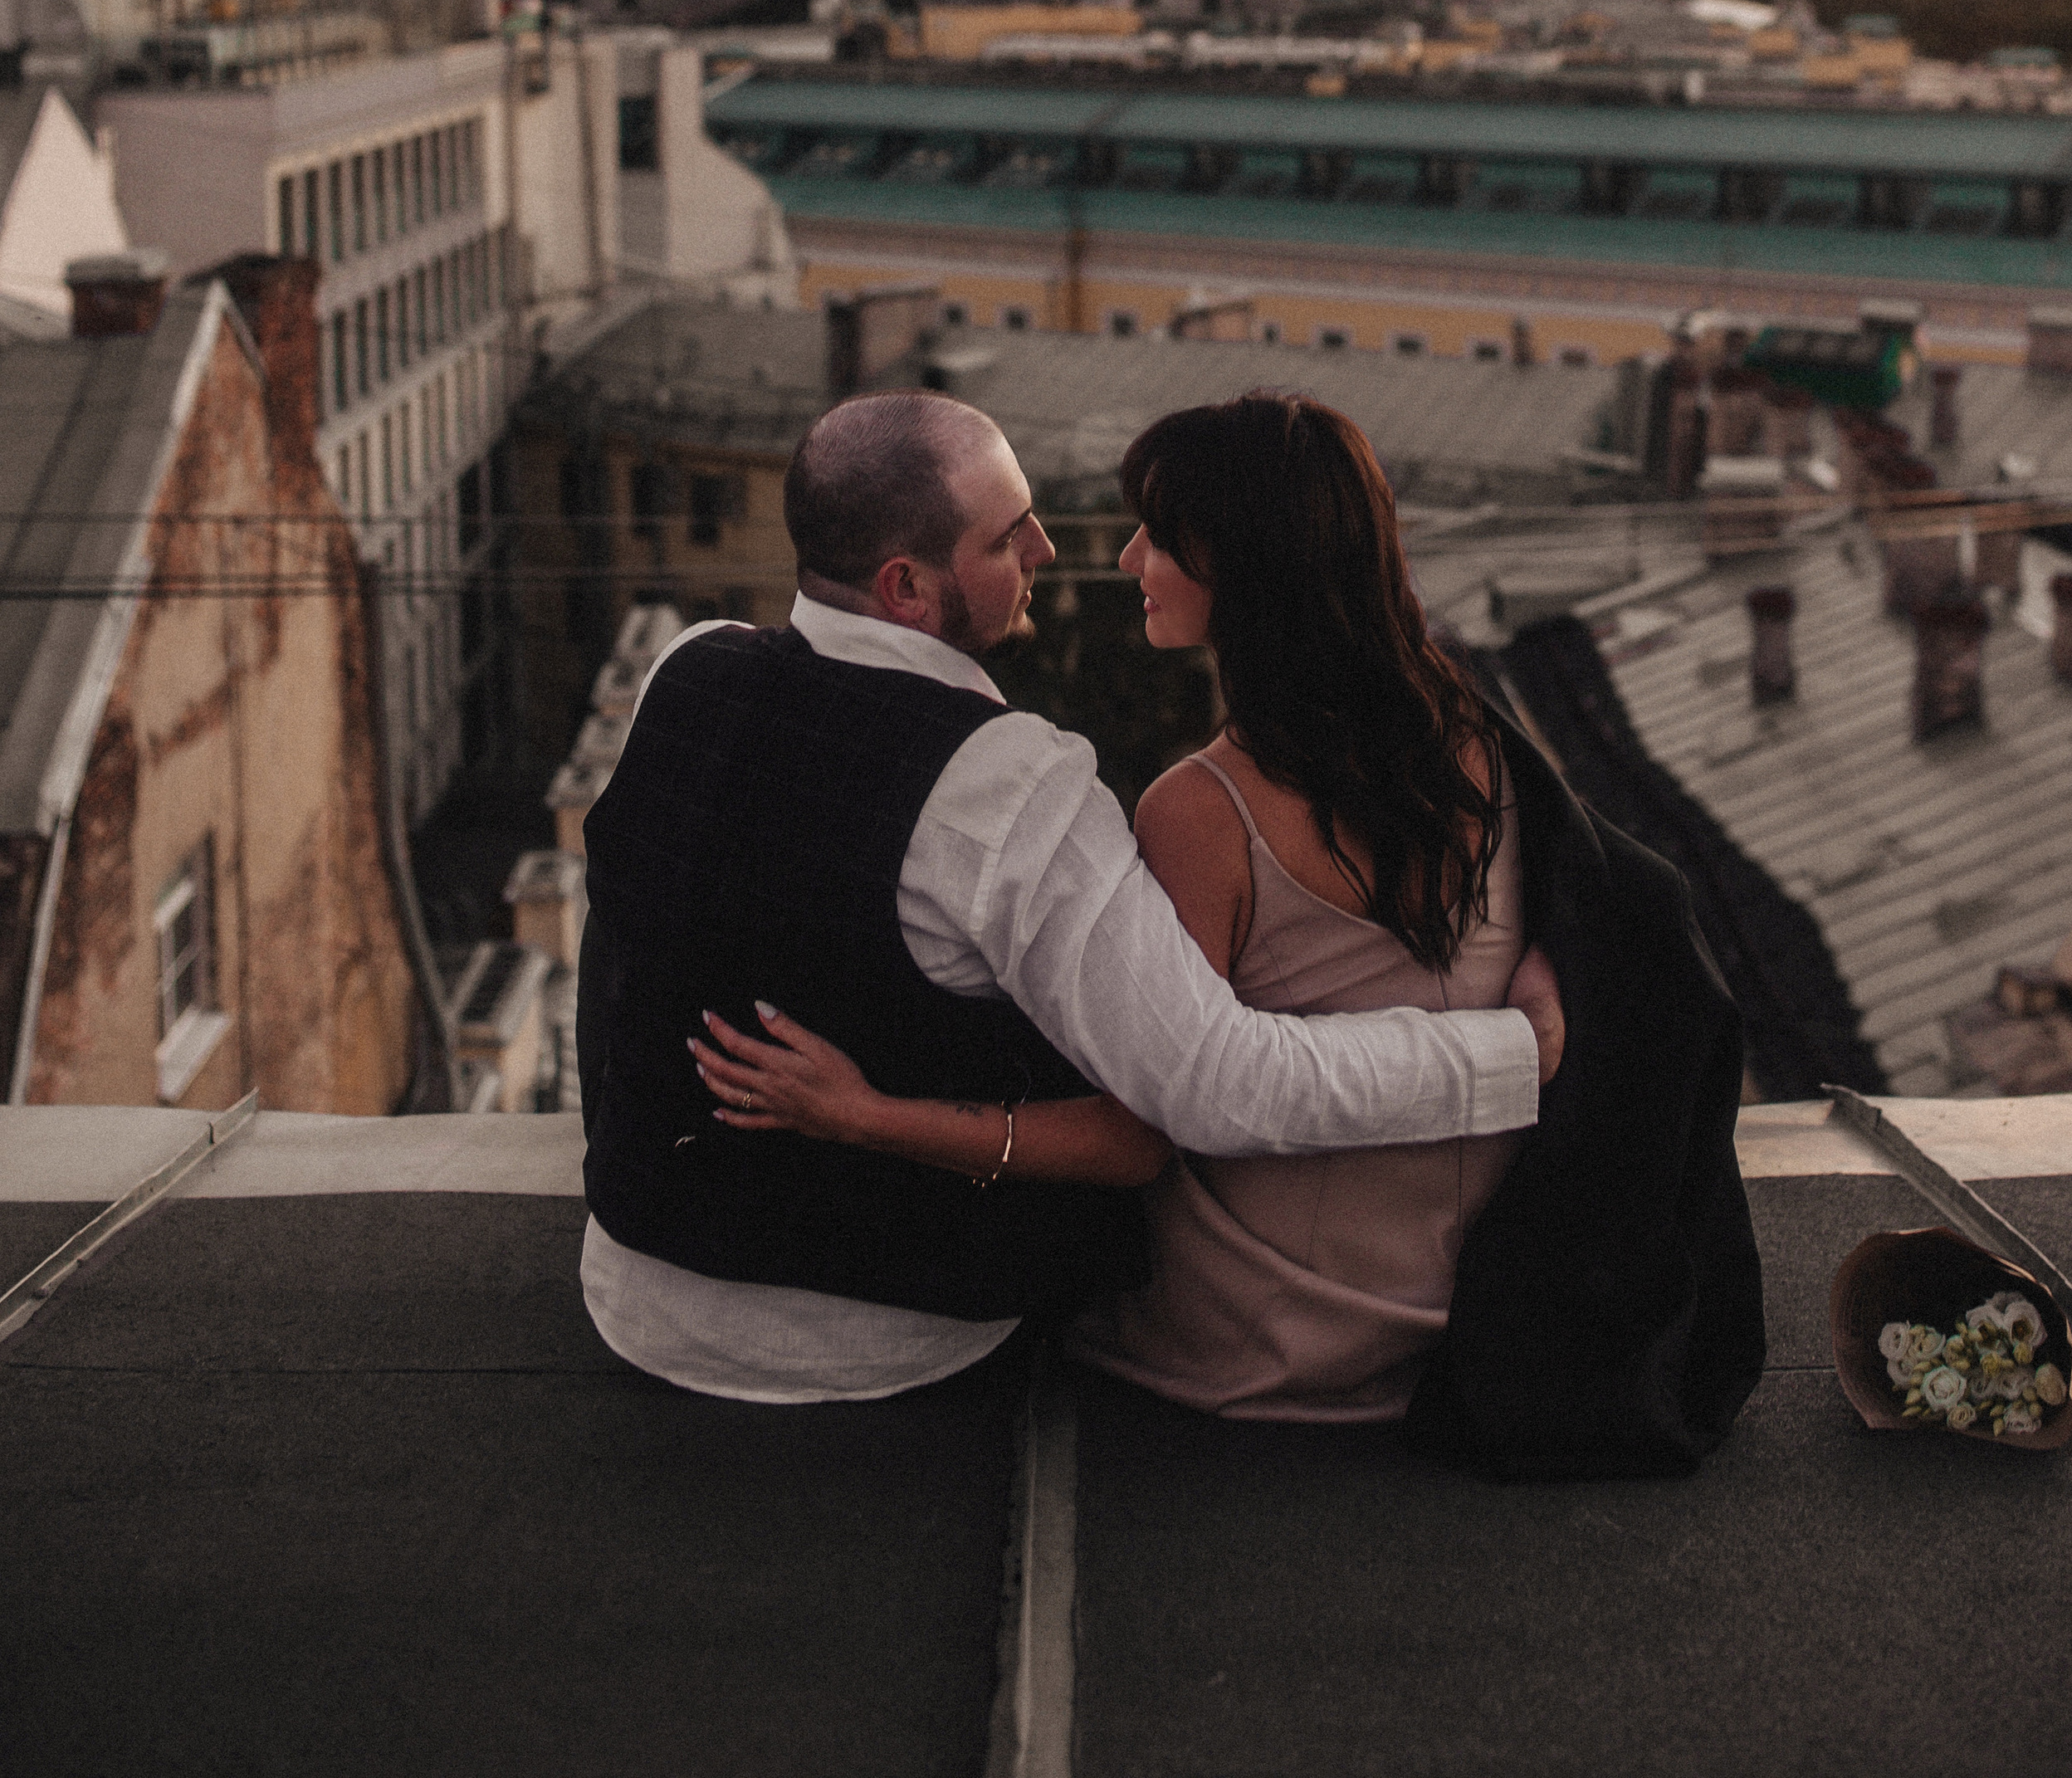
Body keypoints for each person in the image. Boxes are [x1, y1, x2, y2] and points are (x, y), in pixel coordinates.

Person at [579, 388, 1563, 1404]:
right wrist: (1509, 1053)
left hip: (632, 1284)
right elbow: (1210, 1086)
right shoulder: (1009, 783)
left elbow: (622, 953)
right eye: (1007, 536)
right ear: (907, 585)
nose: (1049, 548)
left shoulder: (686, 668)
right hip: (883, 1336)